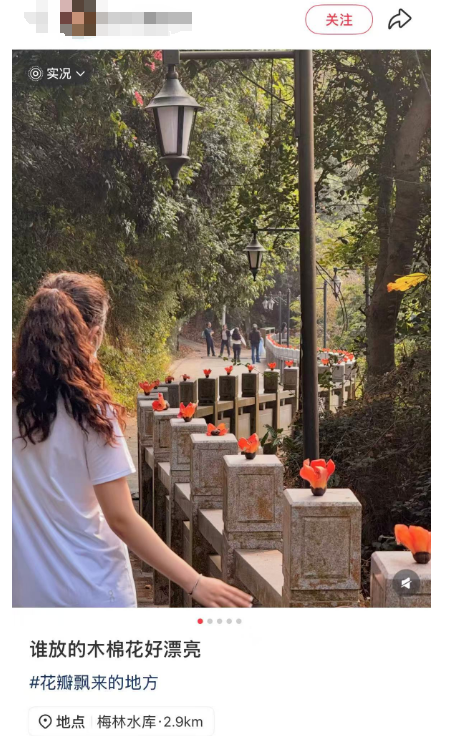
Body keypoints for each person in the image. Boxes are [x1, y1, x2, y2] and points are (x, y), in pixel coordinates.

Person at [12, 272, 252, 609]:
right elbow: (121, 519)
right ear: (94, 335)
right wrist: (195, 582)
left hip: (24, 596)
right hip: (94, 591)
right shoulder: (90, 410)